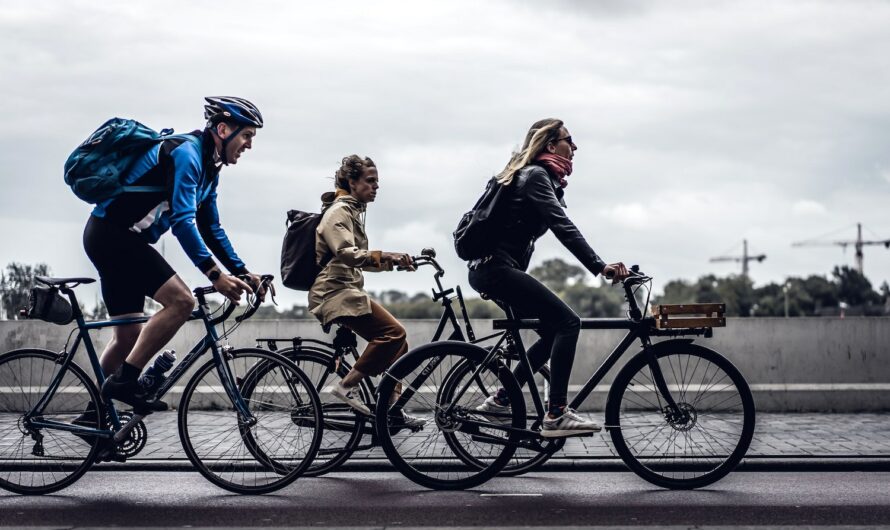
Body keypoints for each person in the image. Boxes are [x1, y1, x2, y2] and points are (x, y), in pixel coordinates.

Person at [82, 96, 267, 412]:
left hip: (116, 238)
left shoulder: (210, 169)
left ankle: (94, 418)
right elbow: (183, 222)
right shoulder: (187, 154)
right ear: (223, 129)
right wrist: (214, 274)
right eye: (247, 135)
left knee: (127, 337)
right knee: (182, 302)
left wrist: (241, 270)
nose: (249, 144)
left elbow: (211, 227)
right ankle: (126, 382)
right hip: (113, 236)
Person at [469, 118, 630, 437]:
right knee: (569, 322)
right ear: (550, 144)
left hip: (491, 269)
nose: (574, 148)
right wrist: (600, 266)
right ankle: (556, 413)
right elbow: (562, 226)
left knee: (553, 330)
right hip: (496, 269)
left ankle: (501, 401)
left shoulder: (537, 176)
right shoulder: (536, 176)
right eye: (570, 141)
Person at [308, 155, 422, 427]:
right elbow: (347, 254)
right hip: (333, 293)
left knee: (399, 345)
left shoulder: (351, 212)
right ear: (352, 182)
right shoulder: (338, 212)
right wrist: (388, 255)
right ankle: (346, 386)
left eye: (377, 182)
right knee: (394, 333)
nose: (376, 187)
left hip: (345, 290)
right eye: (370, 181)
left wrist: (393, 262)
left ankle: (390, 411)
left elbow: (359, 258)